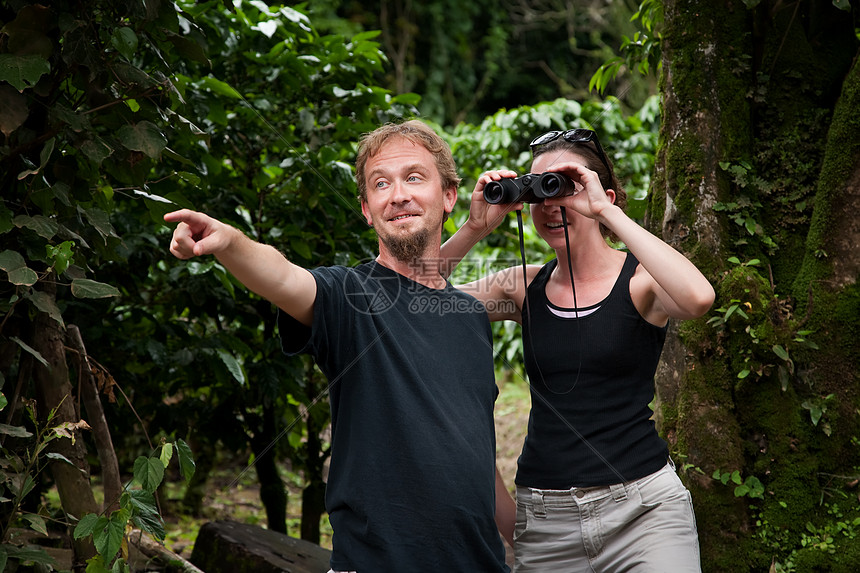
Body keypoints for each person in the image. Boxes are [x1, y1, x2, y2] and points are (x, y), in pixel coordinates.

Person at [164, 120, 510, 572]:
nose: (398, 194)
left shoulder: (468, 317)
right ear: (368, 210)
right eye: (381, 184)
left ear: (448, 196)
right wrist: (230, 242)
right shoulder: (348, 294)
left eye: (414, 177)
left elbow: (476, 450)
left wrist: (530, 533)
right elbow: (285, 276)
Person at [441, 128, 715, 572]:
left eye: (563, 187)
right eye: (538, 191)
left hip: (645, 513)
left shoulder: (642, 282)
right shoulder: (521, 286)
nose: (550, 205)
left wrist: (607, 212)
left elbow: (699, 298)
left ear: (599, 193)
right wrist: (473, 228)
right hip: (549, 522)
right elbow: (410, 301)